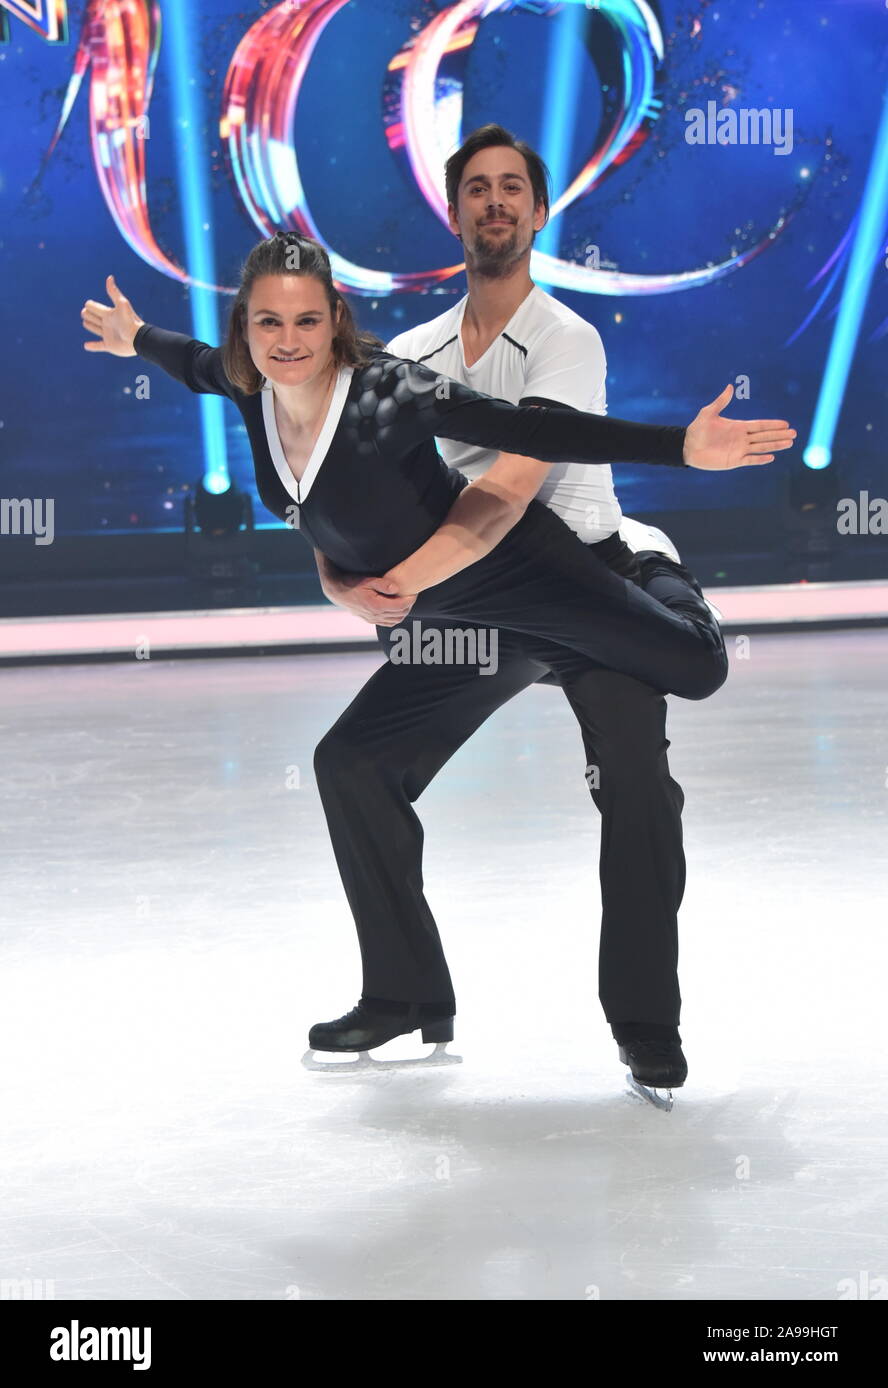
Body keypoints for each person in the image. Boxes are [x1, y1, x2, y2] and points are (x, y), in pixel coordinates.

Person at [80, 232, 794, 1078]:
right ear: (247, 327)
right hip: (460, 624)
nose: (287, 340)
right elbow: (190, 358)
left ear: (335, 320)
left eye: (307, 320)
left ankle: (657, 567)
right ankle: (404, 992)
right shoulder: (249, 386)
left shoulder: (388, 393)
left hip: (531, 578)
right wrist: (134, 338)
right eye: (267, 321)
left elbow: (523, 430)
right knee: (351, 762)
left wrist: (681, 446)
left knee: (698, 670)